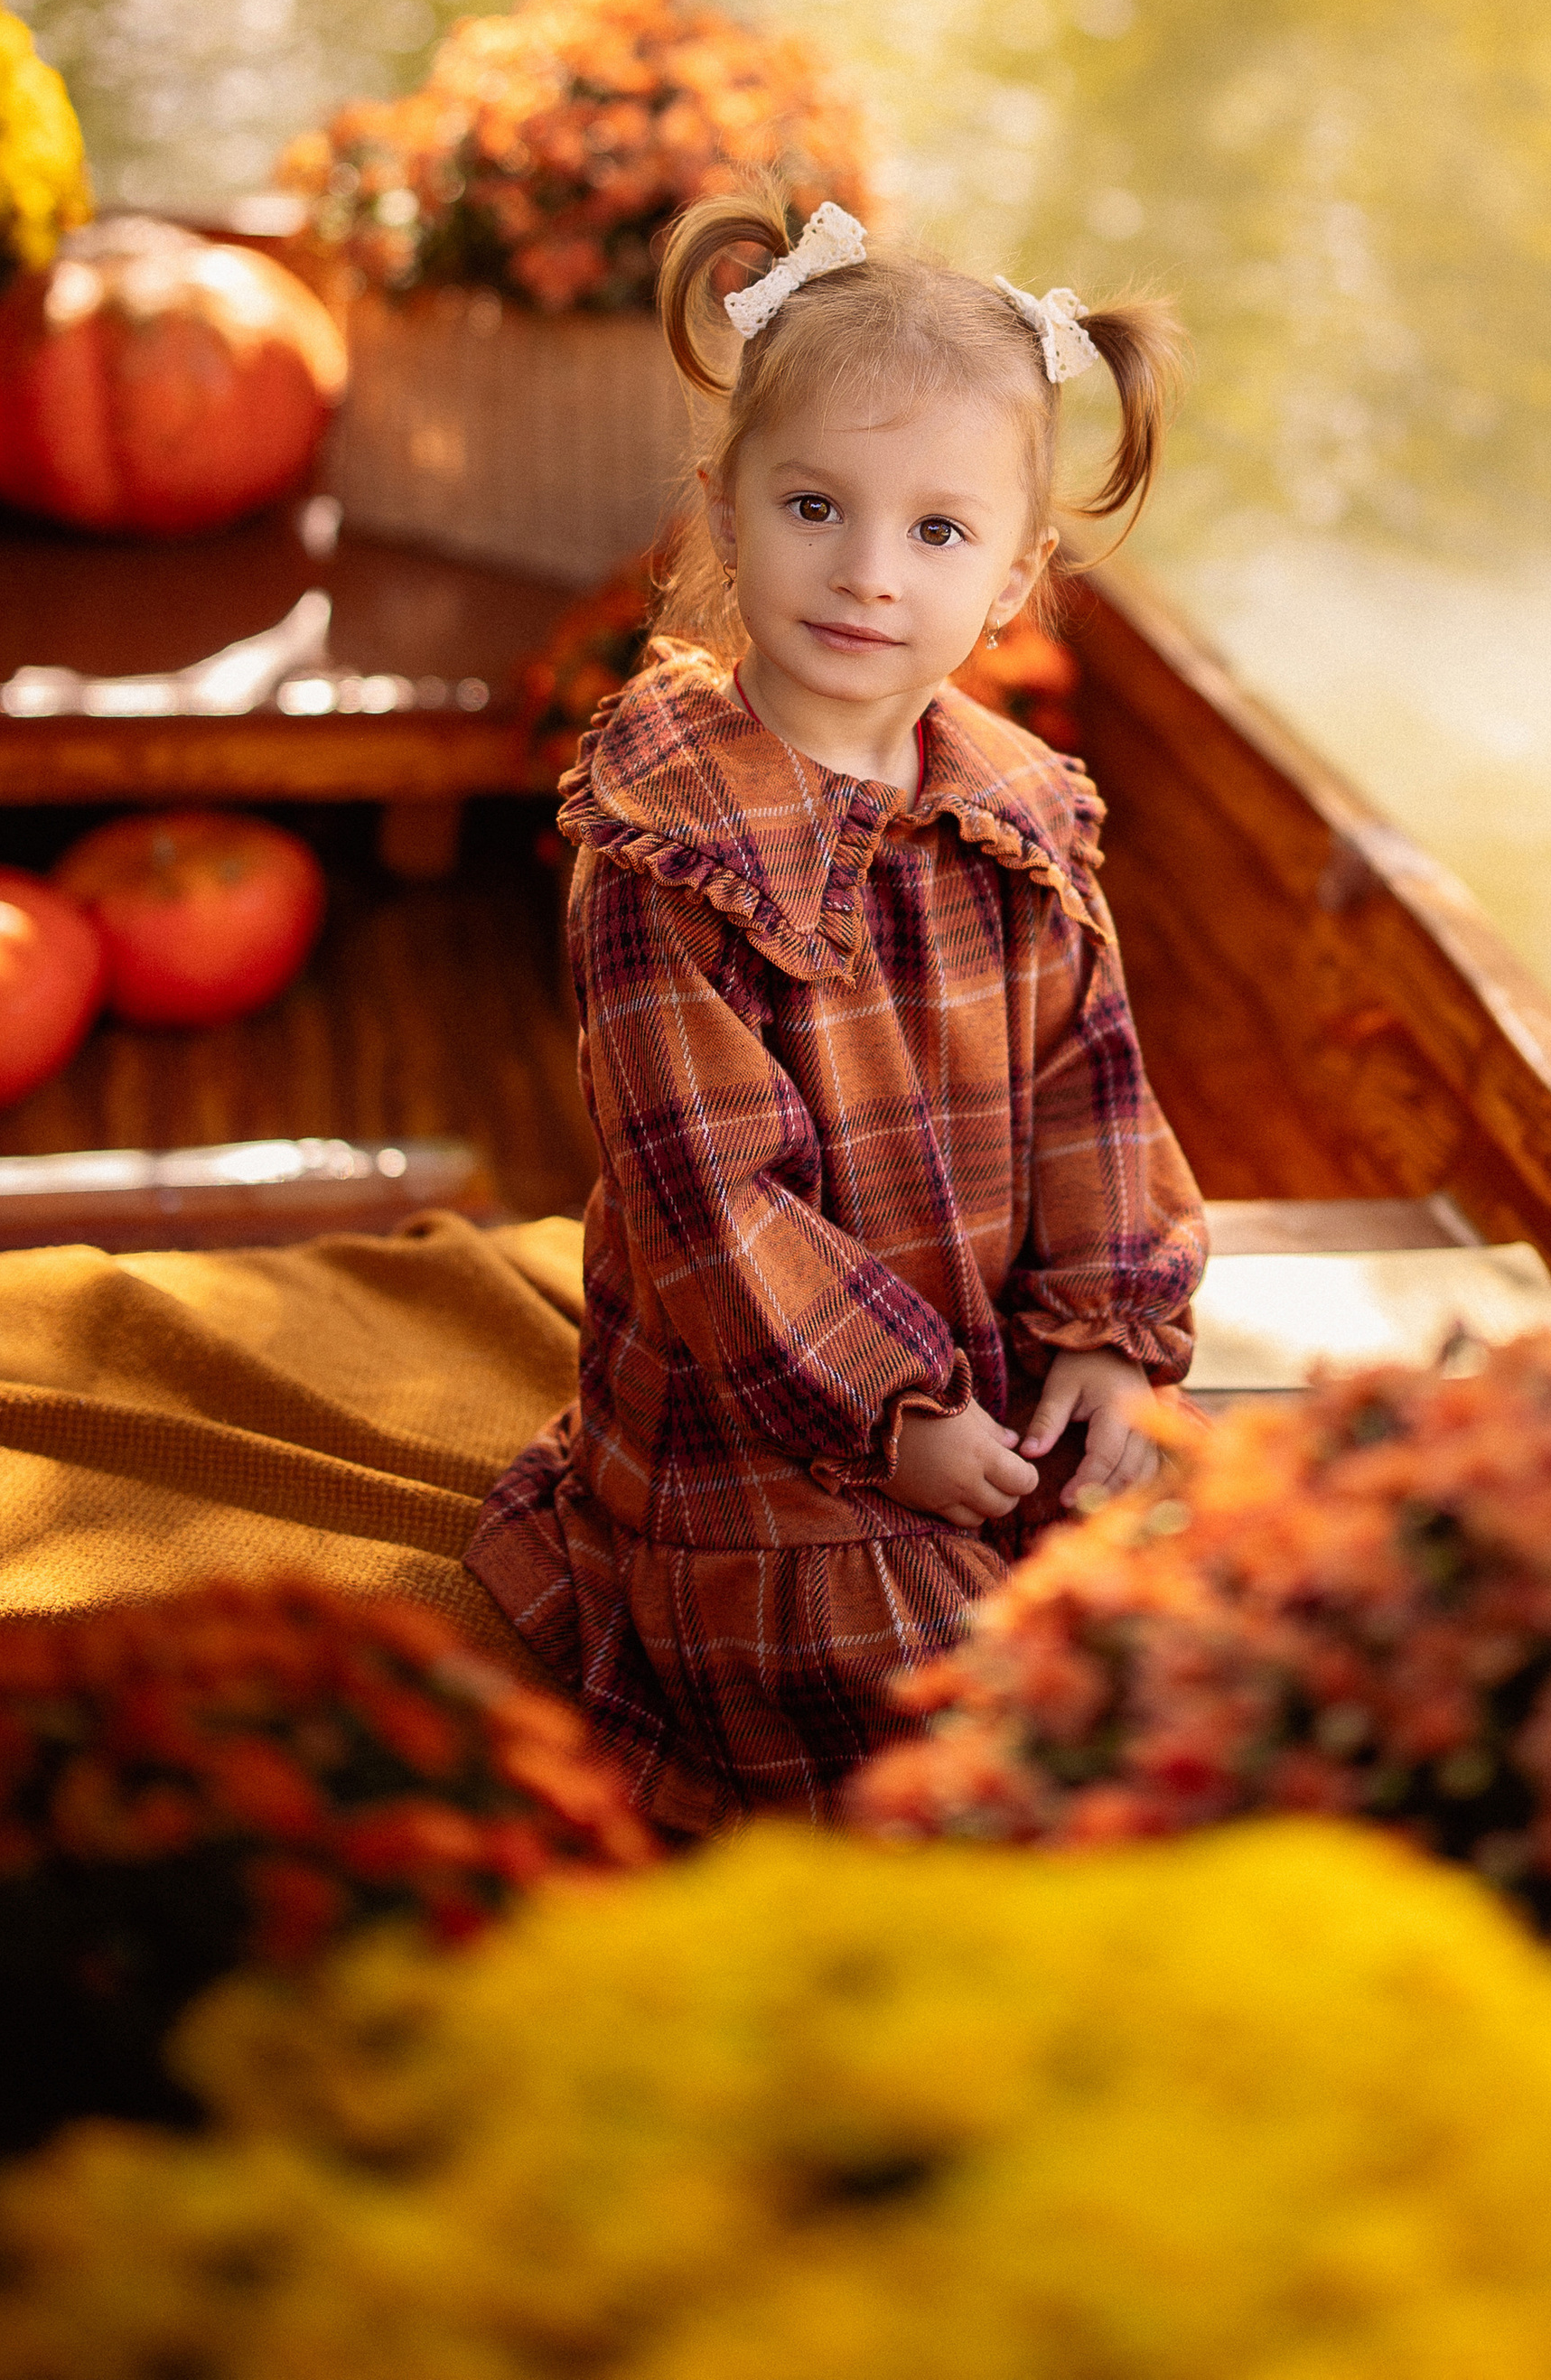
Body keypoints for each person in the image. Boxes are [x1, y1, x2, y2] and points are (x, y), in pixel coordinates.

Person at [467, 190, 1208, 1833]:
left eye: (938, 534)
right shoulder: (668, 845)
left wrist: (1103, 1339)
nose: (870, 576)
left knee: (1186, 1617)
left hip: (998, 1385)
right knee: (934, 1699)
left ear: (1015, 578)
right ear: (726, 512)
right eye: (817, 506)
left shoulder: (1021, 811)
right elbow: (709, 1206)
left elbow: (1099, 1086)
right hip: (771, 1435)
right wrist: (895, 1422)